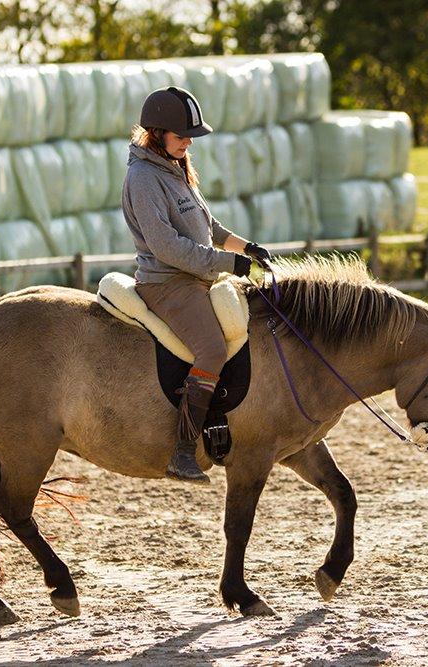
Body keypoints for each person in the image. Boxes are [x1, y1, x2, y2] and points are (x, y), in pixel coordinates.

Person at [122, 86, 272, 483]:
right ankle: (183, 450)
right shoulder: (143, 178)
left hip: (197, 276)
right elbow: (166, 246)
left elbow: (208, 226)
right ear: (156, 134)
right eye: (182, 135)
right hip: (167, 284)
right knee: (211, 348)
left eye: (191, 135)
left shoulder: (175, 167)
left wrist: (248, 247)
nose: (189, 141)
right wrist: (228, 263)